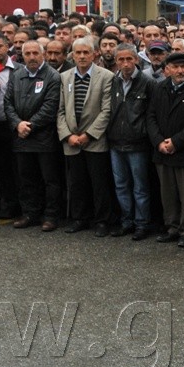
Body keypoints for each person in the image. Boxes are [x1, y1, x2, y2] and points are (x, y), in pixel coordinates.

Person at [147, 52, 184, 247]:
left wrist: (175, 142)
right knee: (168, 193)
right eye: (176, 67)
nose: (180, 71)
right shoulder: (159, 88)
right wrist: (159, 142)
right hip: (162, 151)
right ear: (167, 69)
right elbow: (151, 117)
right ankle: (172, 227)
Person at [58, 38, 115, 236]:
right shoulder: (64, 77)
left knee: (99, 182)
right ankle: (79, 218)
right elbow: (60, 111)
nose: (82, 56)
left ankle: (102, 220)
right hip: (72, 140)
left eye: (86, 53)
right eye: (78, 53)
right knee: (77, 182)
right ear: (72, 55)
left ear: (94, 54)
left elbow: (107, 110)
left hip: (95, 139)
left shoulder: (106, 76)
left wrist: (89, 134)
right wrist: (67, 135)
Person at [5, 40, 63, 231]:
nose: (31, 57)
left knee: (50, 180)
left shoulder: (53, 76)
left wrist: (29, 125)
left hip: (44, 138)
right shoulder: (17, 74)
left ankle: (51, 216)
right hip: (21, 137)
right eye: (27, 54)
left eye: (35, 53)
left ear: (43, 54)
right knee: (26, 179)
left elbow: (49, 107)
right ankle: (30, 213)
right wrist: (17, 124)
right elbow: (8, 103)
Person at [107, 43, 156, 240]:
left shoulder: (148, 82)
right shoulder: (113, 82)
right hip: (116, 143)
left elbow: (152, 114)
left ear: (136, 59)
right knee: (121, 185)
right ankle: (126, 221)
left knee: (140, 187)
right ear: (116, 61)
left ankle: (142, 223)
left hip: (138, 144)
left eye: (129, 59)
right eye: (121, 60)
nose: (125, 64)